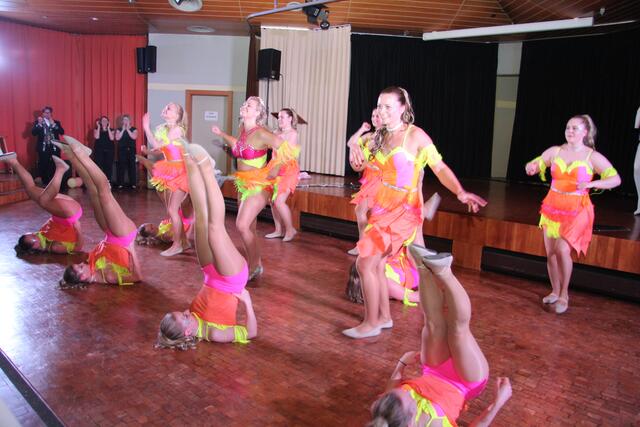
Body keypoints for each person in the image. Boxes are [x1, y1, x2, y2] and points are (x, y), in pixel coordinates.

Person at [344, 86, 487, 339]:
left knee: (364, 262)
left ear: (403, 108)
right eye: (379, 106)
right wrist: (356, 158)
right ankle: (383, 318)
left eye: (388, 106)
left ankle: (371, 322)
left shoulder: (415, 136)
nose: (382, 111)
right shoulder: (379, 137)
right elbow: (362, 165)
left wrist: (460, 192)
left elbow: (439, 168)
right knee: (377, 263)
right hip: (382, 207)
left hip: (404, 210)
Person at [369, 245, 512, 427]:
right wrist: (498, 402)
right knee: (458, 331)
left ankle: (423, 266)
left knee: (432, 323)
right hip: (464, 383)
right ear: (411, 419)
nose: (406, 390)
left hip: (433, 370)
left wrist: (401, 364)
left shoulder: (384, 415)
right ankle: (444, 271)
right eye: (407, 396)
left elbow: (391, 388)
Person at [156, 144, 257, 350]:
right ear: (188, 332)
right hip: (231, 280)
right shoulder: (214, 333)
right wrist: (247, 302)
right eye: (185, 317)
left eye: (182, 312)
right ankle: (208, 170)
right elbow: (251, 333)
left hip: (210, 274)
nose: (187, 311)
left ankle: (190, 163)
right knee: (214, 228)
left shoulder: (192, 319)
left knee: (201, 218)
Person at [525, 115, 621, 313]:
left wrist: (593, 183)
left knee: (562, 250)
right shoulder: (555, 151)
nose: (570, 131)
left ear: (585, 132)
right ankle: (555, 290)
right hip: (552, 206)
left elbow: (615, 179)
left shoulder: (592, 156)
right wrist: (532, 167)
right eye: (568, 127)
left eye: (575, 128)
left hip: (577, 209)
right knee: (551, 253)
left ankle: (564, 295)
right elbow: (536, 163)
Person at [211, 96, 287, 280]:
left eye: (250, 105)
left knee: (242, 225)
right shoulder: (243, 129)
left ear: (258, 112)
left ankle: (254, 266)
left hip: (258, 184)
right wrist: (222, 134)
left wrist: (273, 170)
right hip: (243, 183)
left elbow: (285, 149)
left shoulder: (261, 133)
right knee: (249, 228)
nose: (245, 106)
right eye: (245, 104)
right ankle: (255, 264)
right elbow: (238, 146)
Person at [54, 136, 143, 287]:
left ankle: (72, 155)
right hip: (123, 236)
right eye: (80, 267)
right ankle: (81, 154)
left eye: (78, 264)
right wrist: (131, 249)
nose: (82, 263)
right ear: (83, 277)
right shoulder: (108, 277)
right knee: (104, 192)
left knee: (93, 191)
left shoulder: (92, 269)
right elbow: (138, 277)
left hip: (110, 234)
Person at [0, 152, 83, 254]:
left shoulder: (42, 235)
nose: (36, 234)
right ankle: (61, 170)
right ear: (35, 247)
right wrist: (78, 228)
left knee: (31, 190)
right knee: (44, 201)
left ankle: (13, 161)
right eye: (34, 237)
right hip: (71, 215)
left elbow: (54, 222)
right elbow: (78, 247)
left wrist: (53, 207)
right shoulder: (54, 247)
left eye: (33, 234)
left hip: (62, 212)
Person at [142, 103, 189, 257]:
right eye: (166, 106)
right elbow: (158, 148)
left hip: (180, 171)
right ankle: (184, 242)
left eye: (170, 108)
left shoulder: (178, 129)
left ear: (177, 115)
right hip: (169, 170)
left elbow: (158, 144)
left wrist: (146, 128)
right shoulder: (163, 128)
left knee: (172, 210)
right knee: (172, 210)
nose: (166, 108)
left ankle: (177, 245)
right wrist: (149, 150)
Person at [347, 108, 383, 256]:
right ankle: (366, 246)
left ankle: (363, 246)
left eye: (378, 116)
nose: (374, 118)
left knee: (362, 211)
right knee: (364, 212)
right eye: (373, 115)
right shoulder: (370, 136)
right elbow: (350, 142)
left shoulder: (386, 137)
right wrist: (362, 129)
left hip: (380, 179)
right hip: (369, 179)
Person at [265, 108, 300, 242]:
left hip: (287, 169)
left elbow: (286, 154)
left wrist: (274, 138)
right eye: (278, 117)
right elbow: (267, 145)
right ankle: (278, 230)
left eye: (282, 117)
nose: (279, 119)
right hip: (274, 167)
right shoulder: (275, 133)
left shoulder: (293, 134)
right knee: (272, 201)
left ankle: (290, 229)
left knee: (279, 201)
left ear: (290, 119)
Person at [346, 247, 421, 306]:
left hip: (407, 265)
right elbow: (417, 296)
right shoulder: (387, 285)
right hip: (415, 272)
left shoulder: (381, 270)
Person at [31, 106, 64, 185]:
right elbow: (33, 133)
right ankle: (45, 182)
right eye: (45, 113)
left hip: (54, 147)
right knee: (43, 164)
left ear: (51, 113)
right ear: (43, 113)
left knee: (55, 164)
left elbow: (62, 132)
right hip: (43, 148)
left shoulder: (56, 122)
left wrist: (54, 125)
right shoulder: (38, 122)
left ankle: (55, 181)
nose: (47, 114)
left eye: (49, 113)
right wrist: (39, 124)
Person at [116, 114, 138, 189]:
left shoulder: (134, 129)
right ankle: (120, 183)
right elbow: (117, 138)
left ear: (129, 121)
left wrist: (128, 129)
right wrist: (123, 130)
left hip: (131, 150)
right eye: (124, 120)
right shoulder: (119, 129)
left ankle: (133, 183)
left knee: (132, 166)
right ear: (122, 121)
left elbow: (134, 137)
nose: (125, 121)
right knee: (121, 166)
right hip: (122, 150)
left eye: (127, 120)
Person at [93, 116, 115, 182]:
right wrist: (99, 127)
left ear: (108, 122)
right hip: (99, 151)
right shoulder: (96, 129)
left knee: (108, 166)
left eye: (106, 121)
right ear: (100, 122)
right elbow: (96, 137)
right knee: (98, 165)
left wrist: (108, 128)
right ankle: (99, 181)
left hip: (109, 151)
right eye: (103, 121)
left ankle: (108, 180)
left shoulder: (111, 130)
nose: (104, 122)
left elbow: (112, 138)